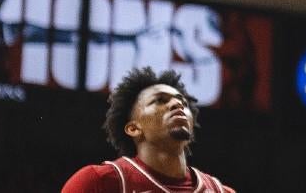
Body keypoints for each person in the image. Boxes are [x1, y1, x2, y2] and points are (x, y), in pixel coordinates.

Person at [62, 67, 234, 193]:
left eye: (182, 102)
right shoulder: (99, 182)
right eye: (160, 100)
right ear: (134, 128)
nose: (177, 104)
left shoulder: (222, 191)